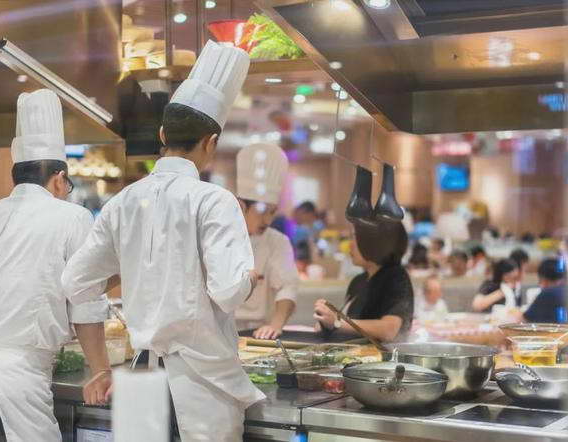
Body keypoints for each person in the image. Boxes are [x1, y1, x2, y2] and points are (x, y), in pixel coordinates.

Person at [62, 41, 265, 442]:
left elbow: (74, 283)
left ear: (161, 135)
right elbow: (228, 292)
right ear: (211, 142)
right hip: (203, 382)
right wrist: (249, 279)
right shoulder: (215, 200)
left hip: (141, 376)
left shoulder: (123, 201)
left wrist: (129, 269)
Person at [0, 90, 111, 441]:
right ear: (59, 179)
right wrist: (101, 370)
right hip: (17, 386)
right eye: (67, 185)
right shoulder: (72, 217)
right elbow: (85, 303)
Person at [235, 143, 299, 340]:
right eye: (262, 211)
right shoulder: (217, 239)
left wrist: (275, 325)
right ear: (241, 206)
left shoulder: (278, 242)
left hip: (259, 334)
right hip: (220, 333)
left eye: (272, 212)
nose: (268, 220)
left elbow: (287, 286)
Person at [313, 222, 414, 343]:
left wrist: (337, 322)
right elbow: (346, 326)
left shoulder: (396, 277)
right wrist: (325, 321)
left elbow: (389, 330)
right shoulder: (358, 281)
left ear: (376, 242)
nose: (350, 244)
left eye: (355, 238)